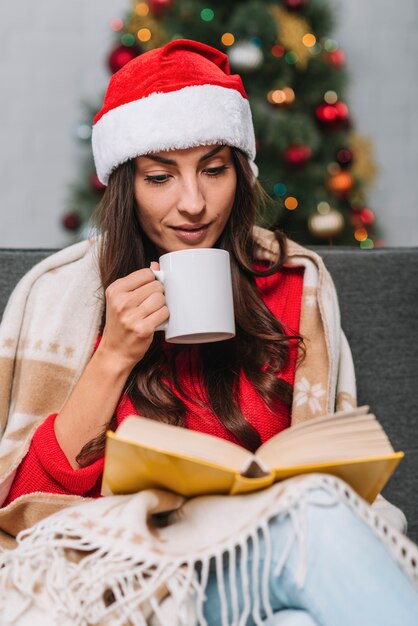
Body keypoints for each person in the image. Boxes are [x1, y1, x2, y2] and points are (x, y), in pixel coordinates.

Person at [0, 39, 417, 626]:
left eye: (214, 171)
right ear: (127, 185)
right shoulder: (65, 297)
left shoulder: (298, 288)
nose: (192, 204)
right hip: (130, 582)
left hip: (255, 567)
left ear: (239, 175)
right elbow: (22, 512)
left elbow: (341, 478)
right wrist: (114, 355)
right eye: (160, 177)